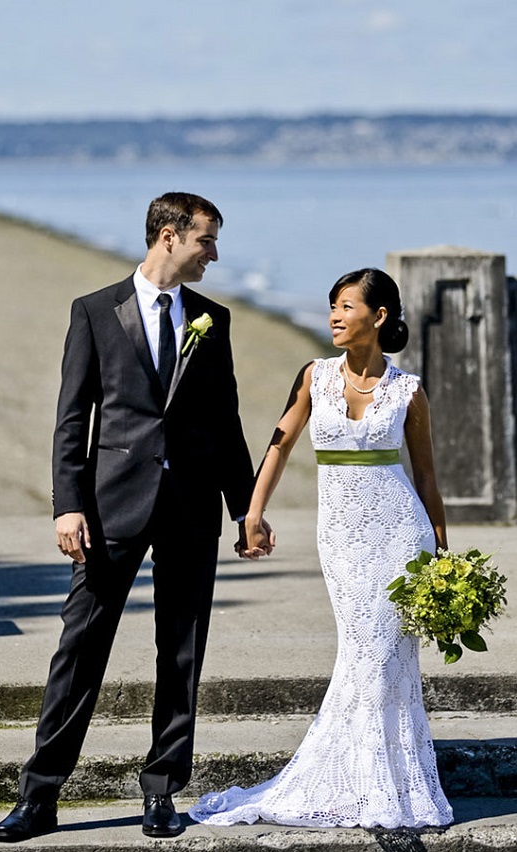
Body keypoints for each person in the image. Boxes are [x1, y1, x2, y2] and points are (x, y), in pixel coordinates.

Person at [0, 192, 271, 842]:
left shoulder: (212, 319)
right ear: (169, 236)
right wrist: (67, 505)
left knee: (180, 655)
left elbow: (224, 422)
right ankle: (39, 796)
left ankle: (162, 791)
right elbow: (71, 419)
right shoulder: (94, 311)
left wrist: (246, 508)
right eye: (207, 240)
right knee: (78, 652)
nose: (214, 254)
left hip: (191, 511)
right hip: (108, 507)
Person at [189, 268, 454, 829]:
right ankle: (351, 776)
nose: (334, 315)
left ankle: (383, 784)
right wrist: (253, 512)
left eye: (347, 306)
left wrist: (442, 551)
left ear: (379, 317)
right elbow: (279, 447)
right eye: (331, 305)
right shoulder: (315, 375)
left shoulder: (409, 391)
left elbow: (427, 478)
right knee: (362, 650)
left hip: (401, 536)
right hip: (341, 539)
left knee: (385, 657)